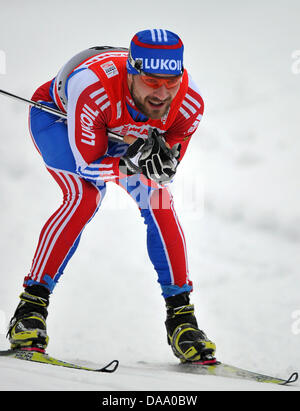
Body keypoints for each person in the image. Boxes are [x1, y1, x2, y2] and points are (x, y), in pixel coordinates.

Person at [7, 29, 216, 363]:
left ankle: (181, 318)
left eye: (171, 81)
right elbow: (88, 165)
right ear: (131, 71)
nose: (162, 93)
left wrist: (151, 163)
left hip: (121, 137)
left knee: (159, 200)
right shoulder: (92, 87)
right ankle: (30, 309)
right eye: (151, 81)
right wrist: (129, 161)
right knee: (84, 197)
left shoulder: (188, 103)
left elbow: (163, 168)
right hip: (60, 120)